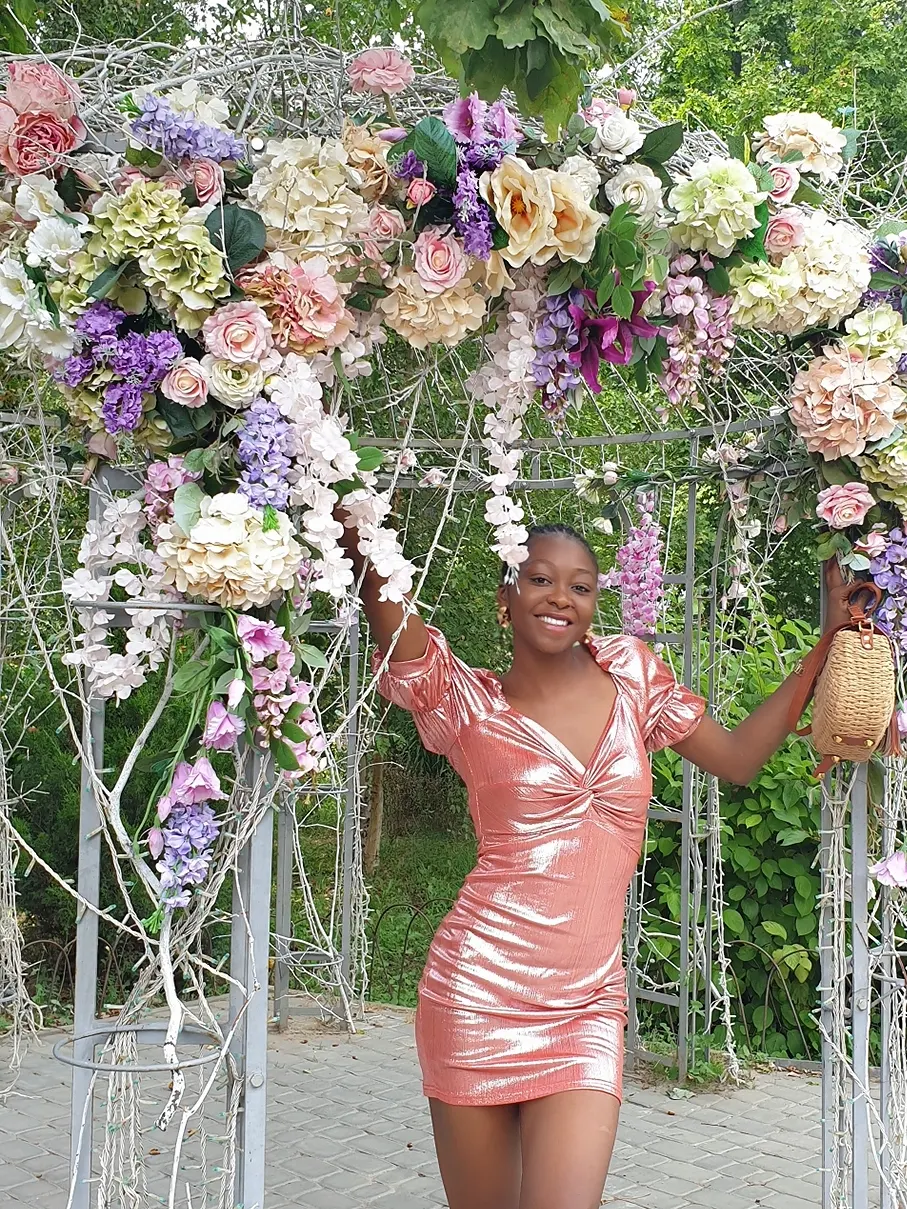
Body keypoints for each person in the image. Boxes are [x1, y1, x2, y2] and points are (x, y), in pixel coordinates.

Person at [343, 519, 852, 1209]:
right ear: (505, 598)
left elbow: (736, 758)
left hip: (585, 1004)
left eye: (579, 585)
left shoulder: (633, 676)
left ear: (594, 602)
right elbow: (397, 627)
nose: (560, 596)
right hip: (475, 995)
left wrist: (827, 641)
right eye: (540, 578)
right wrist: (357, 522)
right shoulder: (468, 704)